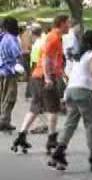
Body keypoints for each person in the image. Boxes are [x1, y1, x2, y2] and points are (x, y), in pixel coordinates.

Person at [48, 30, 92, 171]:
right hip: (81, 92)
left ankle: (59, 151)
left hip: (71, 91)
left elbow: (80, 78)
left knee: (70, 124)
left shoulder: (79, 56)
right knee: (91, 123)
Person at [11, 15, 70, 155]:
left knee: (35, 108)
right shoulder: (53, 37)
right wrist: (49, 78)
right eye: (67, 24)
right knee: (53, 108)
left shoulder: (55, 37)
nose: (69, 26)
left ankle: (21, 136)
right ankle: (51, 139)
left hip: (39, 77)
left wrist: (62, 73)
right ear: (61, 24)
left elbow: (54, 60)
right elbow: (46, 58)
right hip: (44, 78)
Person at [0, 16, 23, 131]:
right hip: (10, 71)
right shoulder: (12, 39)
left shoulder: (2, 37)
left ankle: (5, 119)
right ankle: (4, 120)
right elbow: (17, 54)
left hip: (1, 70)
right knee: (10, 97)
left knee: (2, 96)